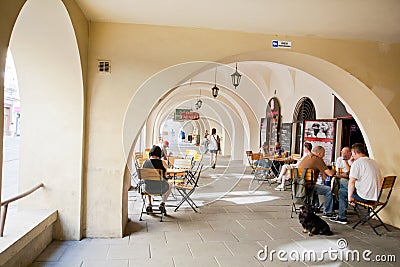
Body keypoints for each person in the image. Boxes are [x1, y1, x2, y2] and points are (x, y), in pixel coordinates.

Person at [330, 143, 381, 224]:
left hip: (364, 197)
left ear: (354, 152)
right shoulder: (373, 162)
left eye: (352, 153)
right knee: (342, 191)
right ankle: (341, 216)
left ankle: (339, 212)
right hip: (375, 196)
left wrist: (350, 197)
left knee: (342, 181)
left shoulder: (357, 163)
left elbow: (352, 181)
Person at [297, 145, 336, 217]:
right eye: (323, 154)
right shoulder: (317, 159)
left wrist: (323, 172)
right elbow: (330, 174)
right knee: (328, 190)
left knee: (315, 185)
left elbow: (320, 171)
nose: (323, 156)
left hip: (298, 186)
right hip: (308, 187)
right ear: (320, 153)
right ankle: (327, 211)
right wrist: (334, 170)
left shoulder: (307, 157)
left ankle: (315, 206)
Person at [142, 146, 172, 214]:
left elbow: (144, 177)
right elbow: (165, 176)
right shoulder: (162, 163)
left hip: (148, 189)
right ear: (159, 154)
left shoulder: (145, 163)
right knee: (170, 184)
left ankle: (149, 204)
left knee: (148, 182)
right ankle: (162, 203)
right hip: (160, 188)